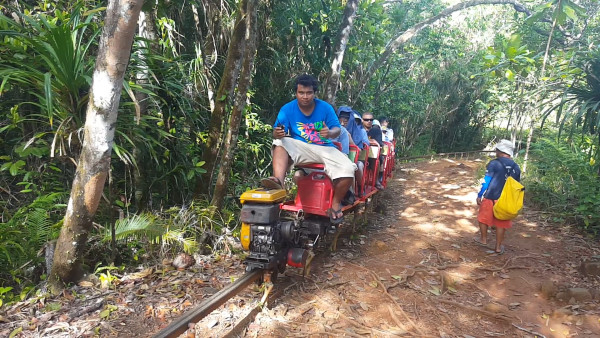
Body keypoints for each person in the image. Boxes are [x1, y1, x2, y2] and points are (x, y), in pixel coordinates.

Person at [262, 74, 355, 224]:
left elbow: (337, 129)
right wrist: (277, 133)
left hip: (325, 148)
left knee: (348, 169)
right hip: (301, 148)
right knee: (280, 142)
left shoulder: (325, 108)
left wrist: (330, 133)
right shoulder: (287, 109)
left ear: (314, 93)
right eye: (301, 93)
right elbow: (276, 131)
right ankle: (278, 181)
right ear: (296, 93)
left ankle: (335, 204)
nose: (305, 96)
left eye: (309, 93)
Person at [474, 139, 522, 255]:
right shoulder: (516, 167)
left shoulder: (494, 163)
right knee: (501, 223)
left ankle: (483, 240)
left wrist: (480, 194)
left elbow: (487, 180)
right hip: (505, 199)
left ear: (500, 151)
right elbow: (517, 186)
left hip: (491, 196)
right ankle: (498, 247)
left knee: (483, 218)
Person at [362, 112, 384, 190]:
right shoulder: (358, 129)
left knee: (377, 160)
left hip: (371, 154)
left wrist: (367, 141)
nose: (369, 121)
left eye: (371, 120)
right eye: (366, 119)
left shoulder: (376, 130)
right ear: (362, 120)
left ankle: (376, 180)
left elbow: (378, 143)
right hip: (360, 153)